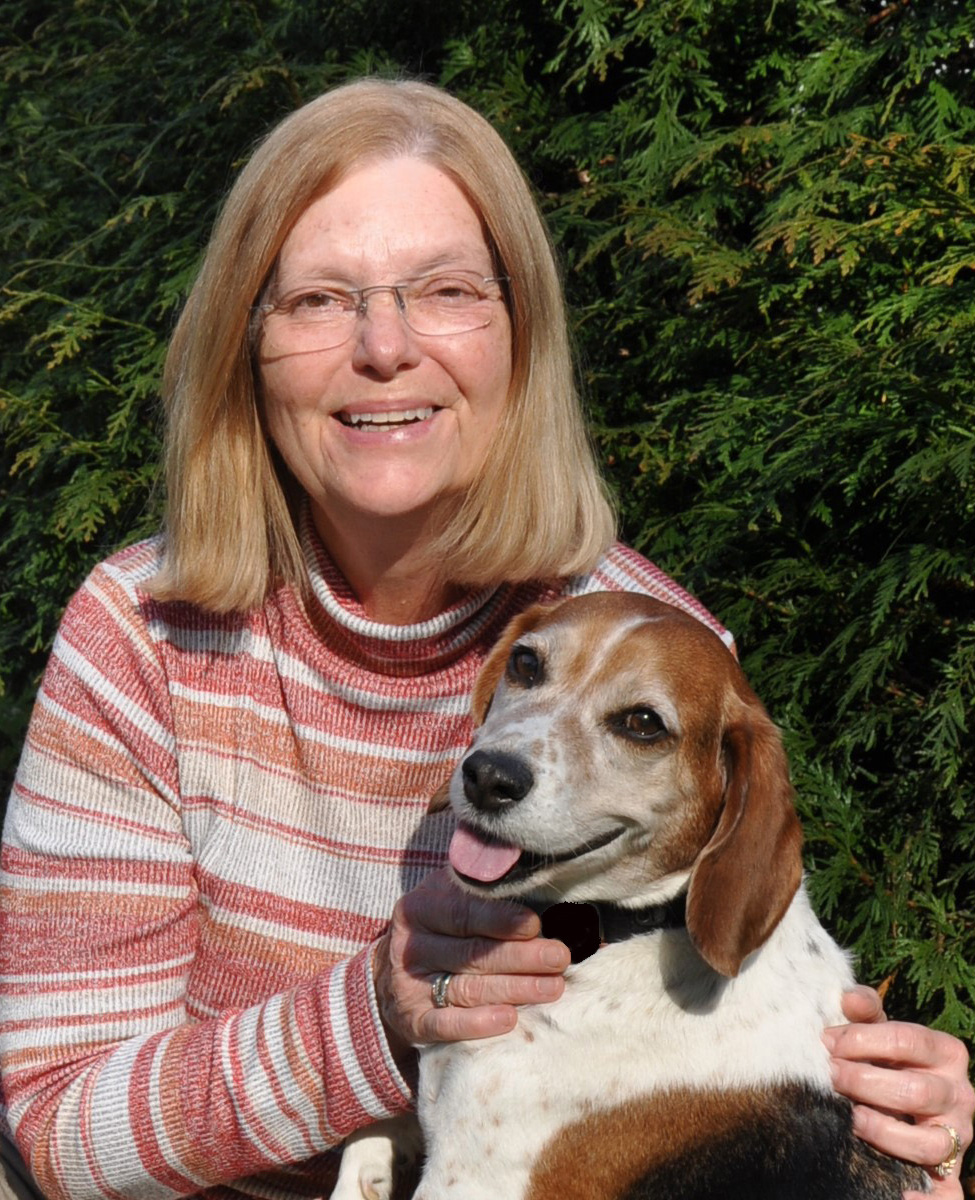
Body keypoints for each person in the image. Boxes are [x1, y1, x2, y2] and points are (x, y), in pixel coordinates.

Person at [0, 77, 970, 1200]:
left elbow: (737, 995)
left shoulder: (660, 643)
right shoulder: (140, 633)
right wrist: (374, 1014)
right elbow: (55, 1131)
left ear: (521, 338)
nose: (383, 347)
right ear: (244, 344)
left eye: (447, 290)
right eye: (318, 298)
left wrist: (894, 1121)